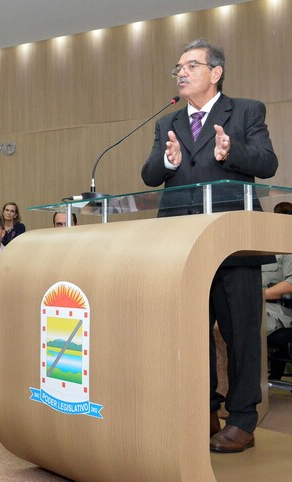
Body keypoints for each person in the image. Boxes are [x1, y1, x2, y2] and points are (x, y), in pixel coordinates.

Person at [140, 39, 278, 453]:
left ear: (216, 72)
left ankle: (242, 420)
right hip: (180, 249)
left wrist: (232, 151)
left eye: (191, 66)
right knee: (189, 336)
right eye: (178, 68)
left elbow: (268, 163)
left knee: (241, 336)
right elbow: (149, 175)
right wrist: (168, 161)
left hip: (232, 246)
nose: (181, 73)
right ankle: (202, 410)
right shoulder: (167, 123)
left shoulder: (246, 111)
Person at [264, 202, 292, 380]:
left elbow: (290, 285)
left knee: (243, 325)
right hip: (257, 307)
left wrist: (258, 295)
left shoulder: (288, 250)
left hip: (279, 313)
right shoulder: (263, 249)